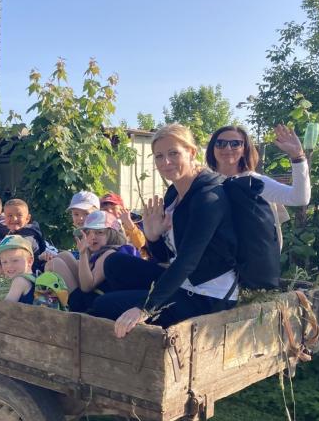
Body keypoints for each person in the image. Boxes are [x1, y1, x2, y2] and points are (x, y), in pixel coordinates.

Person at [88, 123, 238, 338]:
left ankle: (128, 321)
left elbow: (187, 262)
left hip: (208, 296)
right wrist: (153, 237)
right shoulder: (173, 195)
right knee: (114, 264)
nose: (165, 162)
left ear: (192, 152)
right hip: (183, 282)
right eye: (159, 156)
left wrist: (145, 307)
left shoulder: (209, 198)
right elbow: (163, 257)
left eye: (173, 153)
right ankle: (126, 315)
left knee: (103, 304)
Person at [45, 210, 140, 313]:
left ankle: (52, 302)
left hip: (93, 304)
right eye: (88, 233)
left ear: (112, 235)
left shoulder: (110, 253)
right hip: (91, 297)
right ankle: (50, 296)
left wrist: (83, 254)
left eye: (99, 232)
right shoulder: (98, 253)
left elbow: (86, 287)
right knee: (64, 255)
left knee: (55, 264)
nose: (93, 237)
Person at [206, 124, 311, 206]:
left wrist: (298, 157)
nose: (227, 148)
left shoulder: (255, 183)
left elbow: (299, 199)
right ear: (212, 148)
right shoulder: (204, 181)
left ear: (244, 150)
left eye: (235, 144)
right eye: (220, 143)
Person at [0, 235, 36, 304]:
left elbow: (6, 307)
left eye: (15, 260)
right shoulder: (34, 278)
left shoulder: (19, 281)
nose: (9, 266)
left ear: (29, 261)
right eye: (4, 262)